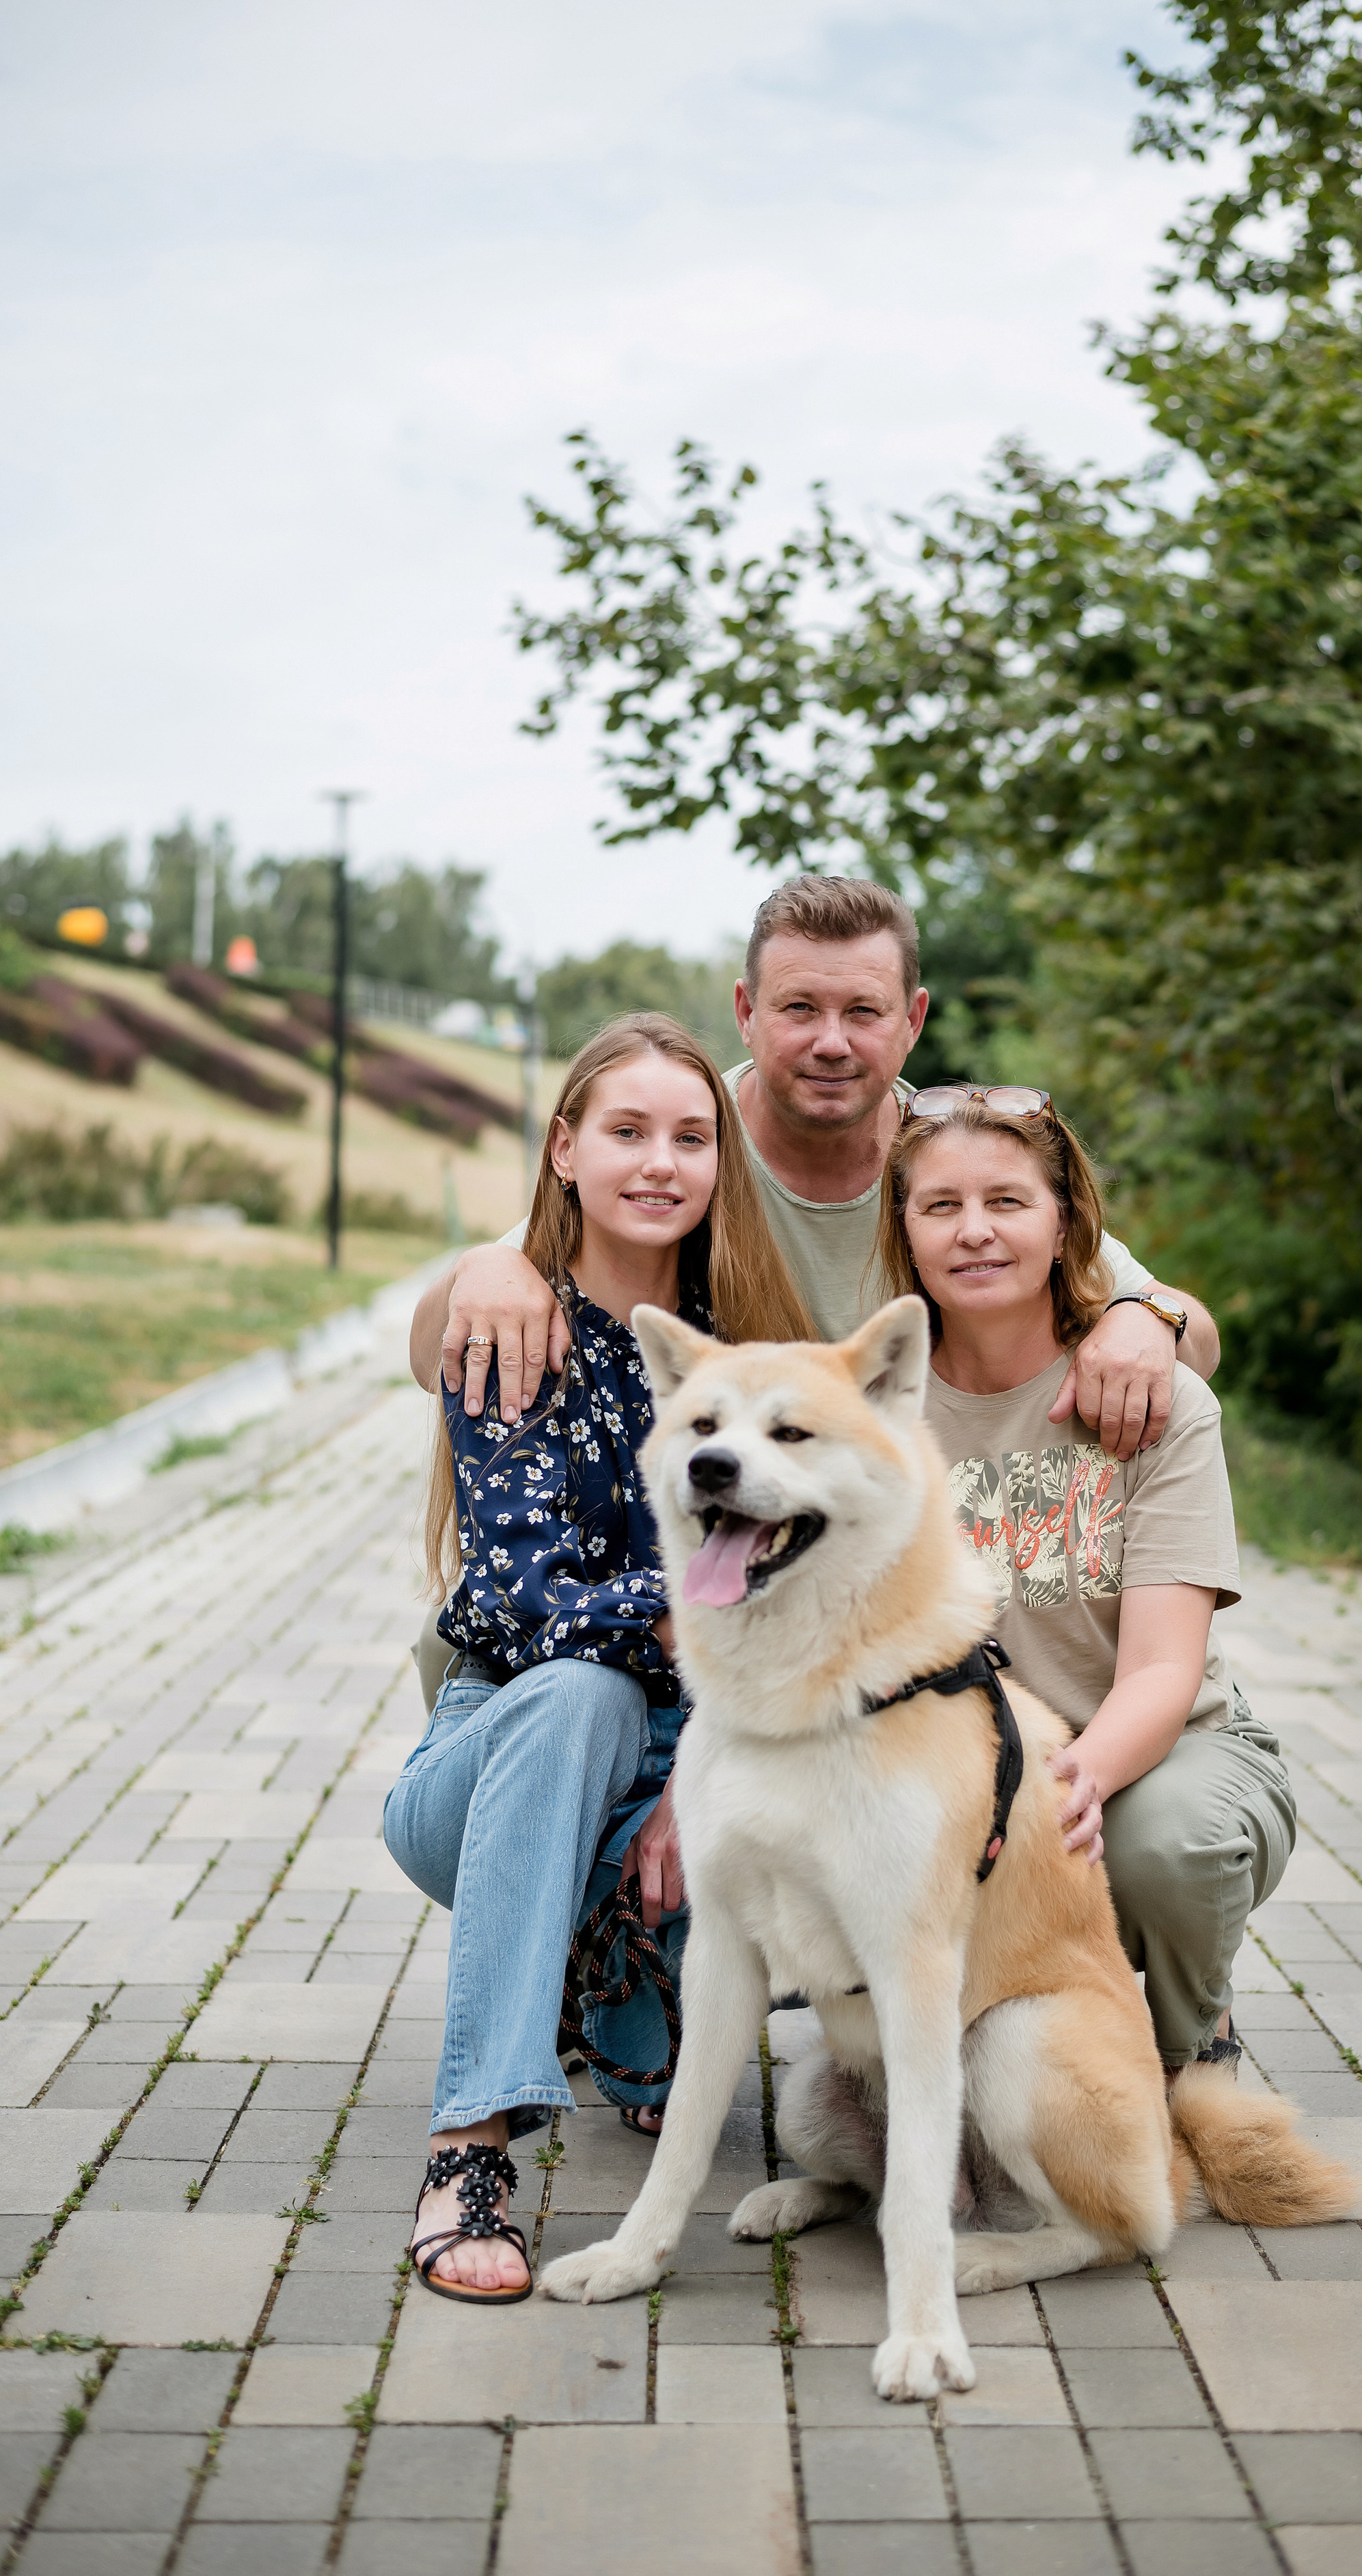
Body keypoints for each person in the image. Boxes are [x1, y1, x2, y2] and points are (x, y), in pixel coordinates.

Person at [408, 878, 1219, 1612]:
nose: (832, 1041)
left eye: (863, 1012)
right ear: (746, 1011)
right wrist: (490, 1266)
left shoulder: (950, 1161)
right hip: (717, 1568)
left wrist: (1145, 1316)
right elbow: (429, 1357)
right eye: (799, 1009)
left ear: (913, 1020)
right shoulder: (689, 1145)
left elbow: (1197, 1342)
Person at [382, 1013, 812, 2304]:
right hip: (492, 1761)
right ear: (565, 1147)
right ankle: (472, 2149)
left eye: (691, 1135)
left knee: (669, 2068)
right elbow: (527, 1604)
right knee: (577, 1688)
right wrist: (700, 1599)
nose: (661, 1161)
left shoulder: (745, 1351)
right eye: (627, 1130)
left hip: (682, 1759)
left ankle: (593, 1985)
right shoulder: (511, 1325)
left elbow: (803, 1583)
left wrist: (699, 1772)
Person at [877, 1084, 1295, 2077]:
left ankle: (1192, 2047)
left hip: (1159, 1752)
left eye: (1008, 1201)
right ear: (905, 1232)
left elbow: (1161, 1671)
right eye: (941, 1206)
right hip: (955, 1761)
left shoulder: (1155, 1399)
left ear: (1065, 1224)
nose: (974, 1231)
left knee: (1167, 1849)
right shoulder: (874, 1411)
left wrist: (1055, 1797)